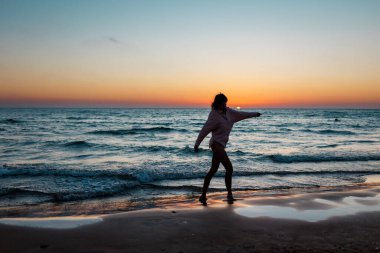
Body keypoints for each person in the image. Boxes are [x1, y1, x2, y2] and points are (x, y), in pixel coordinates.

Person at [194, 93, 261, 204]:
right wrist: (197, 144)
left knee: (213, 170)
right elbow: (205, 129)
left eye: (226, 102)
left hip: (221, 145)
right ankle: (229, 194)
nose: (225, 104)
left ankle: (203, 195)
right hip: (216, 145)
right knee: (229, 168)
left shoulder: (229, 112)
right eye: (223, 103)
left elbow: (241, 114)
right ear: (218, 103)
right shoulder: (214, 115)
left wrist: (255, 114)